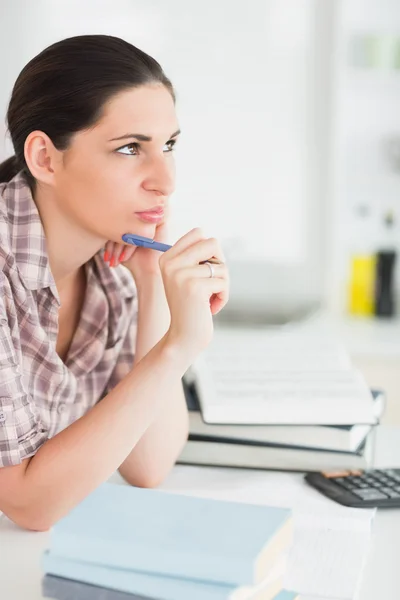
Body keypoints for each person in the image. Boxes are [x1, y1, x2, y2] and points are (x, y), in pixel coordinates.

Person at [0, 35, 229, 531]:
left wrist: (153, 292)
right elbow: (26, 503)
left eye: (168, 145)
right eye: (130, 149)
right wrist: (176, 348)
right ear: (45, 158)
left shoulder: (112, 272)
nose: (165, 180)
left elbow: (148, 464)